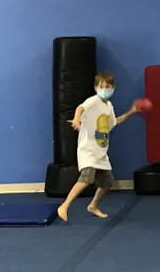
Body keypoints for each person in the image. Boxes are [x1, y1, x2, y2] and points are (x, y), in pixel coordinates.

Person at [57, 73, 140, 222]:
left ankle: (93, 206)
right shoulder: (93, 101)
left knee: (107, 183)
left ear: (113, 88)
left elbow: (115, 121)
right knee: (87, 177)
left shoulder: (109, 107)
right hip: (87, 149)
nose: (105, 89)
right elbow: (80, 108)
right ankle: (64, 205)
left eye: (108, 87)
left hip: (100, 152)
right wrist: (76, 119)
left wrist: (131, 112)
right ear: (96, 88)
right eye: (101, 87)